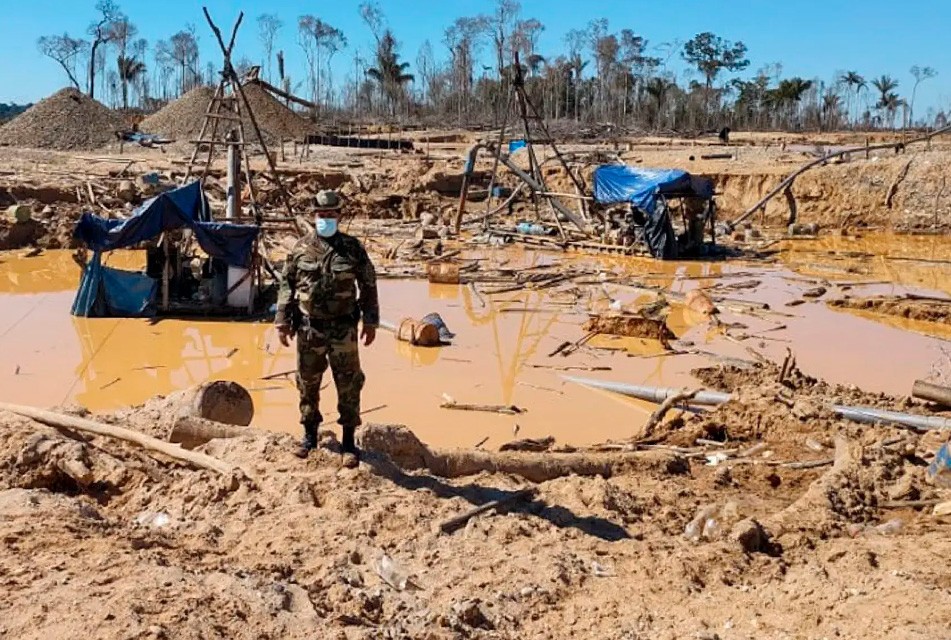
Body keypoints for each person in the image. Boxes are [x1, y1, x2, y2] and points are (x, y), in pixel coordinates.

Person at [274, 190, 379, 466]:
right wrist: (282, 321)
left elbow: (368, 284)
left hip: (343, 328)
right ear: (314, 216)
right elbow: (287, 285)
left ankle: (348, 442)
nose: (325, 220)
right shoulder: (300, 249)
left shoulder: (353, 249)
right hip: (310, 329)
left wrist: (371, 321)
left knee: (349, 383)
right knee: (307, 382)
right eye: (321, 215)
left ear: (339, 216)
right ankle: (309, 436)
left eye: (330, 215)